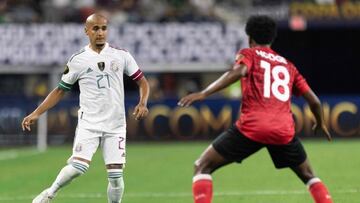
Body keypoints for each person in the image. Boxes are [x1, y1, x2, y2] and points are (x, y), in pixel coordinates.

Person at [178, 15, 333, 203]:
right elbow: (315, 101)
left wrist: (204, 93)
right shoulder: (289, 66)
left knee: (202, 166)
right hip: (283, 131)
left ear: (249, 38)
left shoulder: (249, 53)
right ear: (272, 38)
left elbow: (238, 72)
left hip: (252, 127)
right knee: (308, 174)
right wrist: (321, 122)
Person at [22, 13, 150, 203]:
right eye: (95, 28)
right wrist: (36, 113)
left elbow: (143, 82)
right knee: (78, 168)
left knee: (116, 178)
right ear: (86, 31)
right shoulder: (78, 60)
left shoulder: (121, 55)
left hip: (115, 125)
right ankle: (49, 194)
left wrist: (143, 102)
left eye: (104, 28)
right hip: (89, 123)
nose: (100, 33)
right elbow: (59, 90)